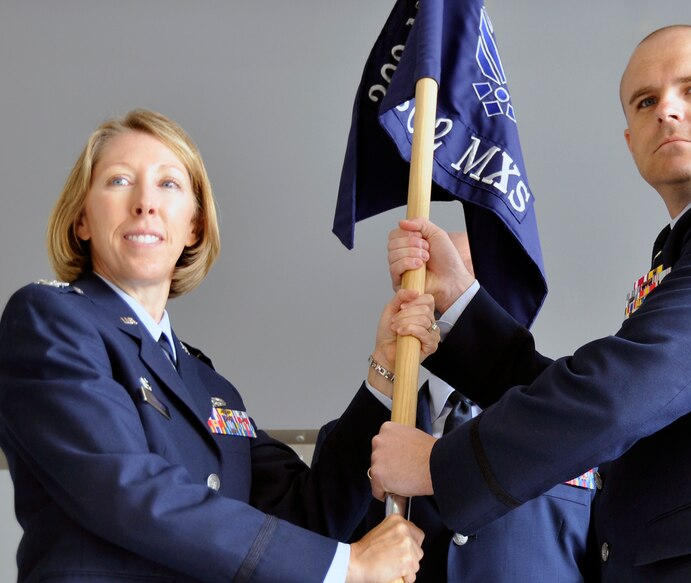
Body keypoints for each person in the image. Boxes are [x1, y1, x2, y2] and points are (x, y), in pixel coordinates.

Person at [369, 25, 691, 581]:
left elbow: (626, 389)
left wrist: (439, 466)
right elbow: (627, 399)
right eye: (646, 101)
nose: (667, 110)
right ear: (630, 139)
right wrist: (460, 303)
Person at [0, 109, 434, 582]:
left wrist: (384, 371)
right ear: (82, 219)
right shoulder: (49, 319)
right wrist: (347, 566)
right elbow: (127, 490)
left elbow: (303, 511)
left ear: (194, 227)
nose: (145, 203)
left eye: (169, 184)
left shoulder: (205, 383)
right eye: (119, 180)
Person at [316, 233, 595, 582]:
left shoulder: (578, 424)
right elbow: (319, 557)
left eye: (476, 284)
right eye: (449, 276)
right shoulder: (358, 440)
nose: (464, 294)